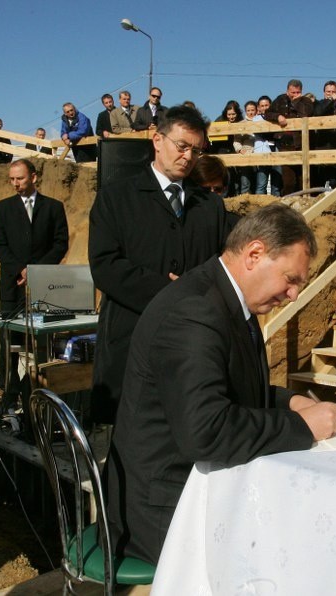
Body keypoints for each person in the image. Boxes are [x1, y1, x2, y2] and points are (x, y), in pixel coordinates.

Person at [104, 203, 336, 565]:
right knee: (299, 550)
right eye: (290, 280)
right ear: (255, 254)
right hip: (165, 509)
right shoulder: (194, 312)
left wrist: (290, 403)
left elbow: (227, 390)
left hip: (192, 487)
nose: (294, 295)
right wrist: (301, 427)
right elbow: (206, 430)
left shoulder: (225, 298)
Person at [88, 105, 232, 424]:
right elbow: (105, 266)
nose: (188, 156)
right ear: (157, 139)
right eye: (182, 146)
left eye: (196, 150)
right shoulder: (116, 198)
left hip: (191, 350)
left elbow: (226, 267)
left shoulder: (210, 207)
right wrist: (170, 291)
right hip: (131, 342)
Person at [0, 159, 68, 412]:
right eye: (12, 179)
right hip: (13, 286)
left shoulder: (54, 208)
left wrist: (35, 271)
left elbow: (60, 243)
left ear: (33, 177)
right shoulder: (2, 209)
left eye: (20, 179)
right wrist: (20, 270)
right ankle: (9, 393)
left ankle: (40, 392)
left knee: (42, 342)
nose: (15, 184)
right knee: (9, 343)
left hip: (44, 286)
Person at [253, 95, 282, 196]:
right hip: (263, 151)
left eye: (266, 105)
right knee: (261, 183)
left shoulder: (276, 117)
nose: (264, 107)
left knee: (276, 185)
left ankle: (277, 209)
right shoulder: (256, 120)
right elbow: (261, 133)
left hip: (276, 149)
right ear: (259, 108)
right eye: (262, 105)